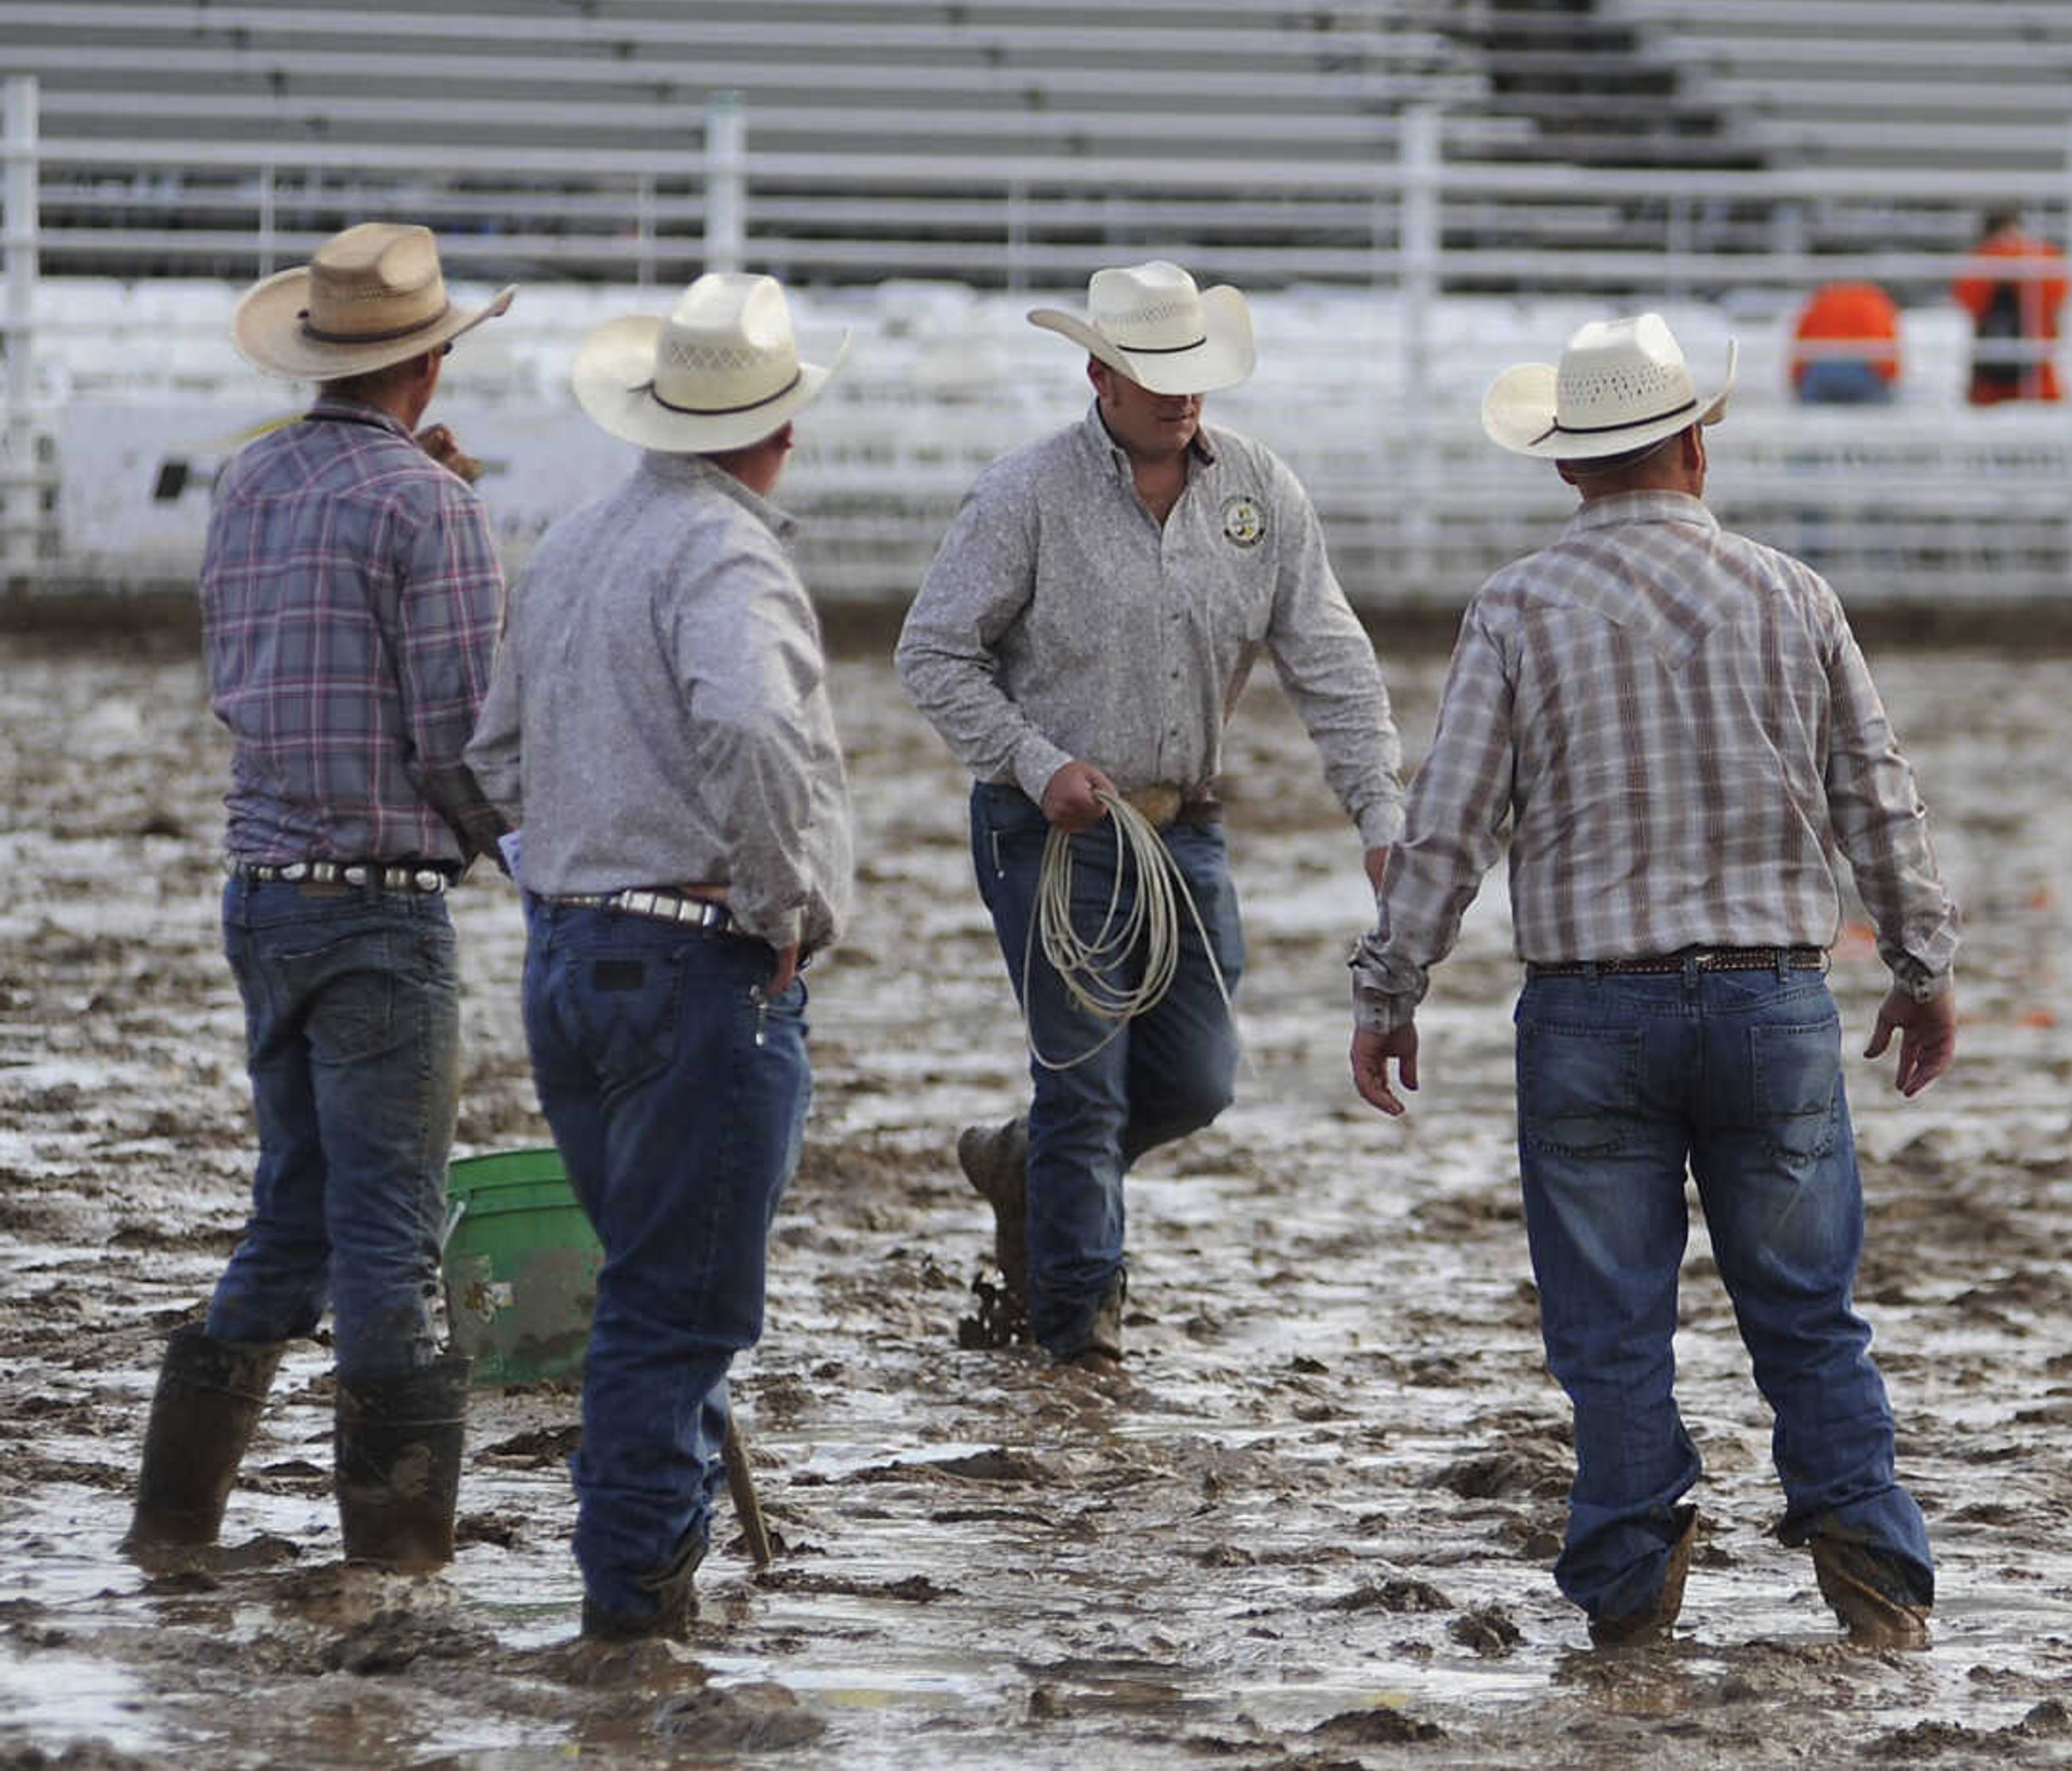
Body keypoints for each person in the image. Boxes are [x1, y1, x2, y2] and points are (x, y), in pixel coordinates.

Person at [1348, 314, 1961, 1653]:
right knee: (1808, 1310)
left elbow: (1449, 821)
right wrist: (1921, 964)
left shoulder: (1517, 606)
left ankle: (1632, 1597)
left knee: (1611, 1326)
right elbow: (1880, 801)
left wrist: (1390, 986)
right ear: (1697, 442)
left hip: (1588, 1005)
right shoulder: (1793, 595)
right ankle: (1875, 1584)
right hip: (1769, 996)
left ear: (1571, 469)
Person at [897, 260, 1403, 1368]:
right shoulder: (1026, 493)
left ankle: (1029, 1172)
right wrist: (1036, 764)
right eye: (1156, 372)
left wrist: (1379, 810)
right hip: (1053, 828)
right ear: (1099, 373)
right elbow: (933, 652)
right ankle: (1081, 1327)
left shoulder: (1258, 492)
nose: (1182, 393)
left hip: (1184, 823)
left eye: (1194, 372)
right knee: (1085, 1082)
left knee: (1195, 1076)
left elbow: (1332, 665)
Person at [465, 272, 854, 1641]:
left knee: (650, 1280)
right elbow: (752, 728)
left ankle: (642, 1571)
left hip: (570, 952)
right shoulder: (729, 557)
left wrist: (562, 867)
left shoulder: (575, 544)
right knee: (671, 1309)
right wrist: (782, 901)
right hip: (695, 958)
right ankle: (630, 1601)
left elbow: (493, 755)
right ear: (783, 428)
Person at [128, 223, 512, 1574]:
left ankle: (174, 1525)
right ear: (433, 359)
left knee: (295, 1211)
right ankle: (397, 1553)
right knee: (394, 1239)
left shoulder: (252, 479)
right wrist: (535, 859)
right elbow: (466, 737)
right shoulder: (434, 507)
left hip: (267, 889)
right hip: (379, 904)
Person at [1951, 208, 2068, 404]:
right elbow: (2061, 297)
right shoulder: (2044, 257)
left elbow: (1966, 300)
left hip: (1989, 381)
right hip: (2039, 379)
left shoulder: (1980, 262)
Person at [1785, 279, 1902, 404]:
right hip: (1864, 374)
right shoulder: (1874, 302)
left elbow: (1802, 342)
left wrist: (1797, 379)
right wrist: (1889, 378)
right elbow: (1885, 345)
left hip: (1819, 373)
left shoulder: (1820, 300)